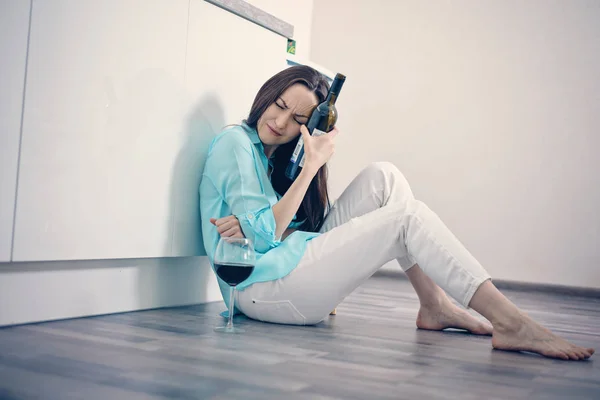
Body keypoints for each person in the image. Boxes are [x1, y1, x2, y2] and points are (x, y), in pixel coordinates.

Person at [199, 65, 594, 361]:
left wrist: (266, 218)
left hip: (286, 266)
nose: (281, 122)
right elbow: (267, 238)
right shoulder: (235, 143)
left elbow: (276, 231)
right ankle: (510, 322)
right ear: (267, 94)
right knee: (407, 217)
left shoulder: (274, 156)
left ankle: (433, 305)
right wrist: (309, 171)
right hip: (256, 292)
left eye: (298, 120)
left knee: (384, 177)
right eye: (279, 105)